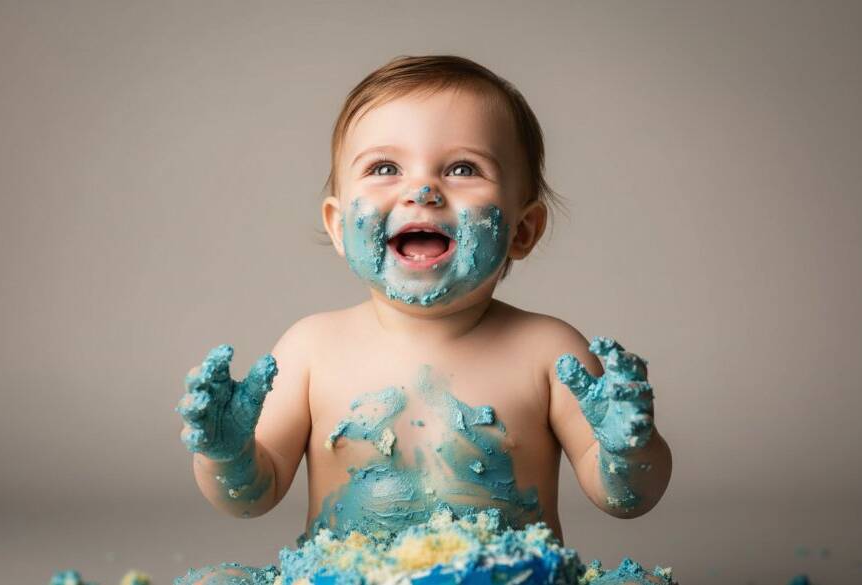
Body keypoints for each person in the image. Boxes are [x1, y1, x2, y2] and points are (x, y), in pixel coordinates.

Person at [175, 54, 673, 585]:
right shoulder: (311, 348)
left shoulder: (548, 350)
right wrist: (226, 456)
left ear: (522, 231)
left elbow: (625, 501)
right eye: (384, 168)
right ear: (340, 227)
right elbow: (252, 498)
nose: (423, 190)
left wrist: (627, 447)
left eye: (463, 169)